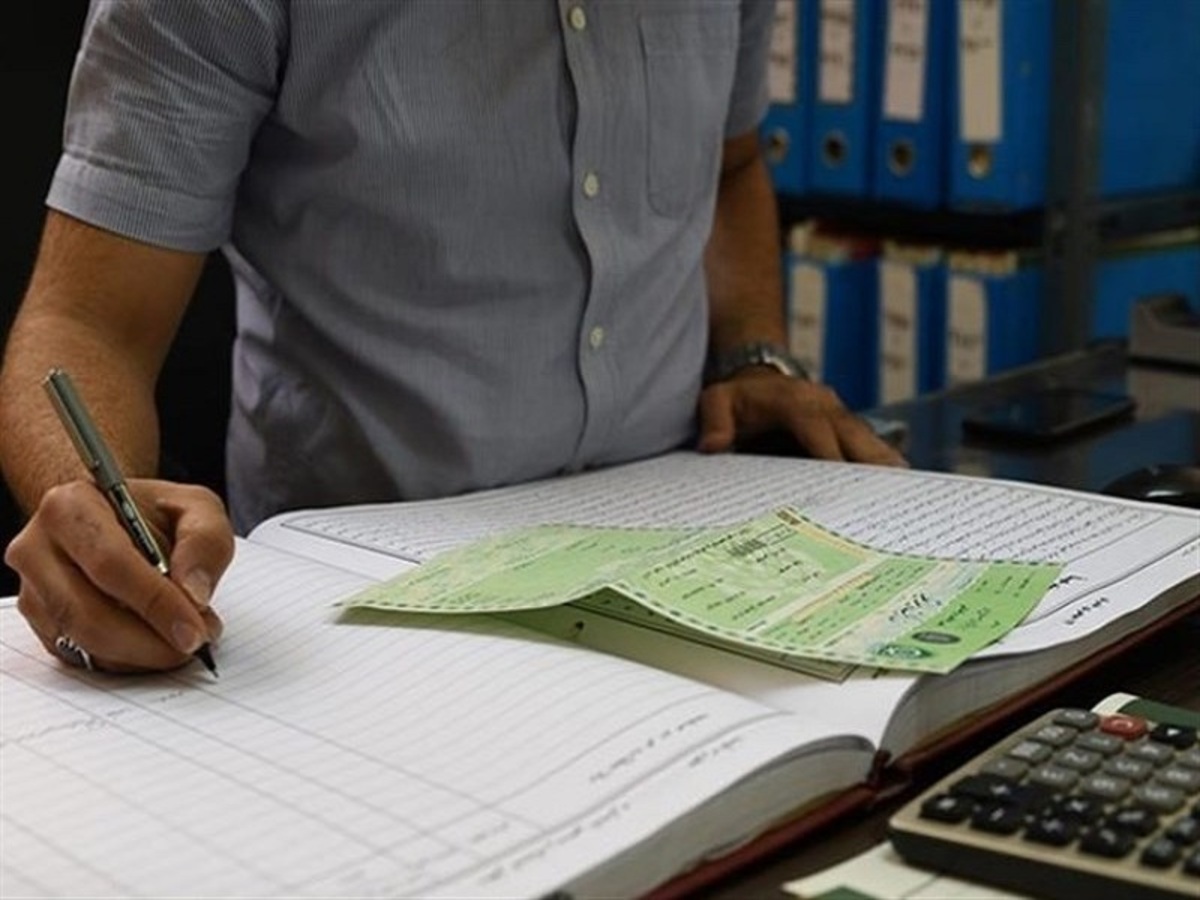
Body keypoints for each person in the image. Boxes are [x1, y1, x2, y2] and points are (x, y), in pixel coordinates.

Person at [0, 1, 904, 674]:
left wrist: (752, 352)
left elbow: (732, 162)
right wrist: (97, 525)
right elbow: (85, 322)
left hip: (690, 551)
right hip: (370, 608)